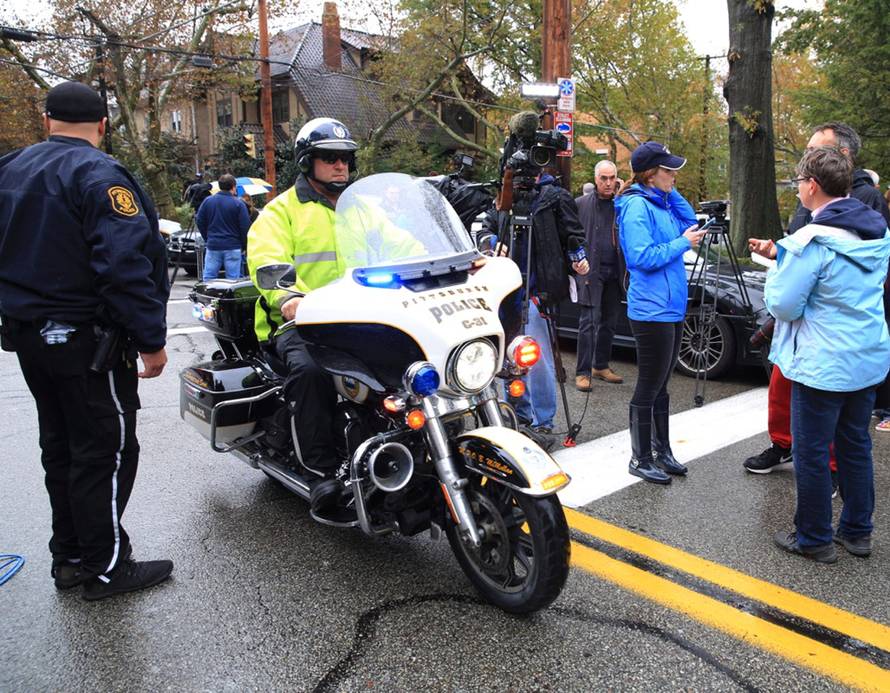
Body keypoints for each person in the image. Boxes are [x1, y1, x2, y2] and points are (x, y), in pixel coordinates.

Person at [0, 81, 172, 600]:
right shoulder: (100, 174)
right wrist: (150, 339)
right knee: (105, 451)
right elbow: (123, 265)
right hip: (87, 340)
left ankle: (71, 557)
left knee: (62, 448)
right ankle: (107, 567)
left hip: (31, 338)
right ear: (102, 125)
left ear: (45, 117)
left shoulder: (10, 168)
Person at [767, 146, 890, 563]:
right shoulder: (877, 232)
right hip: (867, 356)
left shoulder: (812, 241)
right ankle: (857, 532)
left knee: (812, 450)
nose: (799, 189)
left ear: (812, 186)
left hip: (823, 363)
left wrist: (775, 270)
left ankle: (814, 537)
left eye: (800, 182)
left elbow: (783, 304)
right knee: (855, 444)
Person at [745, 122, 890, 475]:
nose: (807, 156)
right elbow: (804, 248)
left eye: (814, 149)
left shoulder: (865, 199)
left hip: (828, 330)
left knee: (831, 427)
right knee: (782, 389)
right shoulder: (810, 200)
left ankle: (828, 485)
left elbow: (841, 262)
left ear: (840, 156)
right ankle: (783, 444)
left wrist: (786, 274)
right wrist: (778, 251)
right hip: (800, 326)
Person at [247, 117, 361, 517]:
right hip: (301, 323)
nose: (340, 167)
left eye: (346, 159)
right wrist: (287, 297)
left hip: (362, 318)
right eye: (329, 158)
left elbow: (406, 244)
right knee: (312, 374)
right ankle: (321, 472)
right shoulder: (280, 212)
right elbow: (267, 259)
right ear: (307, 162)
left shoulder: (360, 210)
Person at [615, 142, 706, 485]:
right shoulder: (638, 206)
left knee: (662, 386)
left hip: (669, 307)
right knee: (649, 385)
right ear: (650, 174)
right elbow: (642, 258)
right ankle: (640, 458)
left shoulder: (660, 202)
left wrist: (669, 189)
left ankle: (661, 451)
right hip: (651, 310)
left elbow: (691, 221)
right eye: (668, 171)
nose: (675, 175)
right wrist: (682, 243)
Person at [488, 167, 589, 441]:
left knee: (538, 357)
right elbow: (489, 226)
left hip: (538, 291)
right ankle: (519, 413)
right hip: (506, 292)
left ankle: (543, 419)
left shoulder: (554, 196)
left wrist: (578, 257)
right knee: (510, 358)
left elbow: (573, 233)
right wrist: (491, 243)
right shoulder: (504, 196)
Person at [574, 160, 624, 391]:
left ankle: (600, 365)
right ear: (595, 179)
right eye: (603, 178)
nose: (608, 182)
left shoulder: (622, 203)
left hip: (615, 270)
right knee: (589, 322)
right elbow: (571, 235)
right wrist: (575, 260)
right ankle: (582, 372)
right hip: (591, 270)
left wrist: (623, 194)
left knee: (610, 322)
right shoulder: (581, 204)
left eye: (612, 177)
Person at [195, 174, 251, 280]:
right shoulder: (239, 204)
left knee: (209, 277)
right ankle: (230, 296)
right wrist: (244, 246)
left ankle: (208, 296)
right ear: (233, 187)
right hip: (233, 246)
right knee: (233, 279)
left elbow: (200, 221)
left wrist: (208, 238)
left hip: (213, 245)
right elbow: (245, 226)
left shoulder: (208, 201)